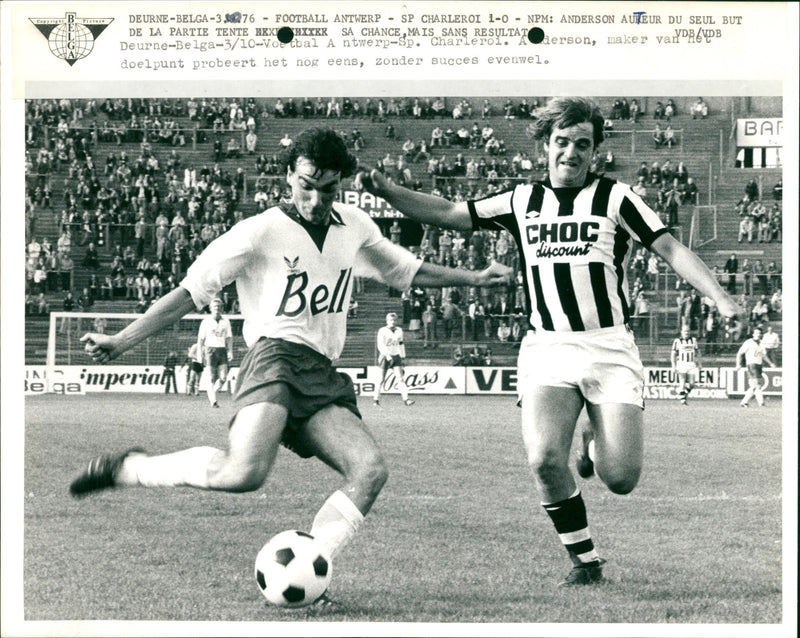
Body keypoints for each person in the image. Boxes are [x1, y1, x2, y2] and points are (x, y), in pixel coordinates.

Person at [70, 128, 512, 604]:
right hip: (274, 358)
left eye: (328, 189)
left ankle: (307, 575)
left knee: (369, 470)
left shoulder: (356, 225)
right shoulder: (259, 232)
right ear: (288, 176)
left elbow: (404, 270)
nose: (317, 199)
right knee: (244, 474)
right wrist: (121, 340)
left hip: (322, 371)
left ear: (341, 184)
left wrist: (476, 279)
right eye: (307, 185)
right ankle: (133, 469)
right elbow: (188, 293)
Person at [357, 97, 740, 586]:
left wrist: (720, 298)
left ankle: (591, 437)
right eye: (562, 142)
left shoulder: (617, 198)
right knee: (542, 459)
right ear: (545, 146)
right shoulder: (521, 201)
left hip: (608, 347)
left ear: (596, 150)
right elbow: (452, 213)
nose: (571, 152)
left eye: (583, 144)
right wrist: (389, 190)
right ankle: (585, 561)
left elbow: (669, 247)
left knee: (621, 479)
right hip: (548, 348)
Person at [197, 297, 234, 407]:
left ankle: (212, 392)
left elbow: (229, 337)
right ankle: (213, 401)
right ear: (211, 308)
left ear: (222, 308)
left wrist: (230, 351)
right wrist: (200, 353)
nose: (217, 308)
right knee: (211, 377)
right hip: (210, 350)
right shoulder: (206, 322)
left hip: (222, 350)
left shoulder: (225, 321)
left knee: (223, 378)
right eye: (214, 306)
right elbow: (200, 339)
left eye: (218, 306)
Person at [373, 312, 414, 407]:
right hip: (385, 356)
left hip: (396, 356)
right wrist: (387, 355)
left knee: (400, 378)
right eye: (391, 320)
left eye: (394, 320)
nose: (393, 322)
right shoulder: (382, 330)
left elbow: (401, 343)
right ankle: (376, 399)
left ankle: (406, 399)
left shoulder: (399, 330)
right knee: (381, 379)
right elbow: (380, 344)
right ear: (387, 321)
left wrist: (403, 356)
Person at [735, 327, 775, 407]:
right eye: (756, 333)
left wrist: (770, 363)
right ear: (753, 334)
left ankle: (744, 402)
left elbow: (763, 355)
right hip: (752, 364)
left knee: (754, 386)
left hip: (759, 365)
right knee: (758, 385)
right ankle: (761, 403)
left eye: (759, 333)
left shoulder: (761, 343)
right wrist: (738, 364)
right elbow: (739, 353)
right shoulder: (749, 342)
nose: (758, 334)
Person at [671, 325, 701, 405]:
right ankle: (683, 400)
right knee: (682, 382)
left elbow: (698, 353)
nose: (686, 333)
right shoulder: (677, 341)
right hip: (681, 364)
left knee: (692, 383)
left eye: (688, 331)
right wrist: (673, 366)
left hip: (691, 364)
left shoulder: (693, 340)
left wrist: (700, 364)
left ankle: (682, 394)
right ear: (681, 332)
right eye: (685, 331)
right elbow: (673, 354)